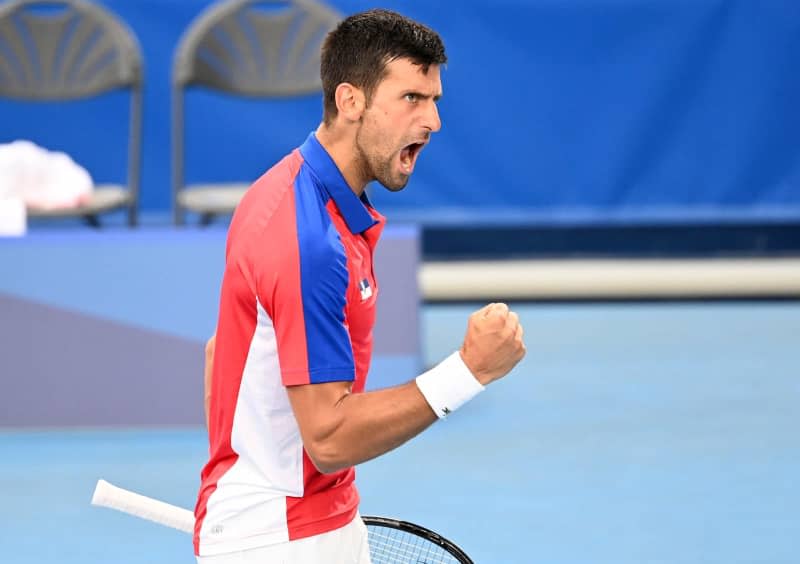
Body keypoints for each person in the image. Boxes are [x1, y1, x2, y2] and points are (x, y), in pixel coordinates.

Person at [194, 8, 526, 564]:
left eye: (435, 100)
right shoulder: (308, 239)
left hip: (301, 520)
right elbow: (328, 439)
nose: (434, 121)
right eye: (412, 99)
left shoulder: (301, 198)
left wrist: (242, 477)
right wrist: (466, 372)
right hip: (280, 540)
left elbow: (219, 354)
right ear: (351, 101)